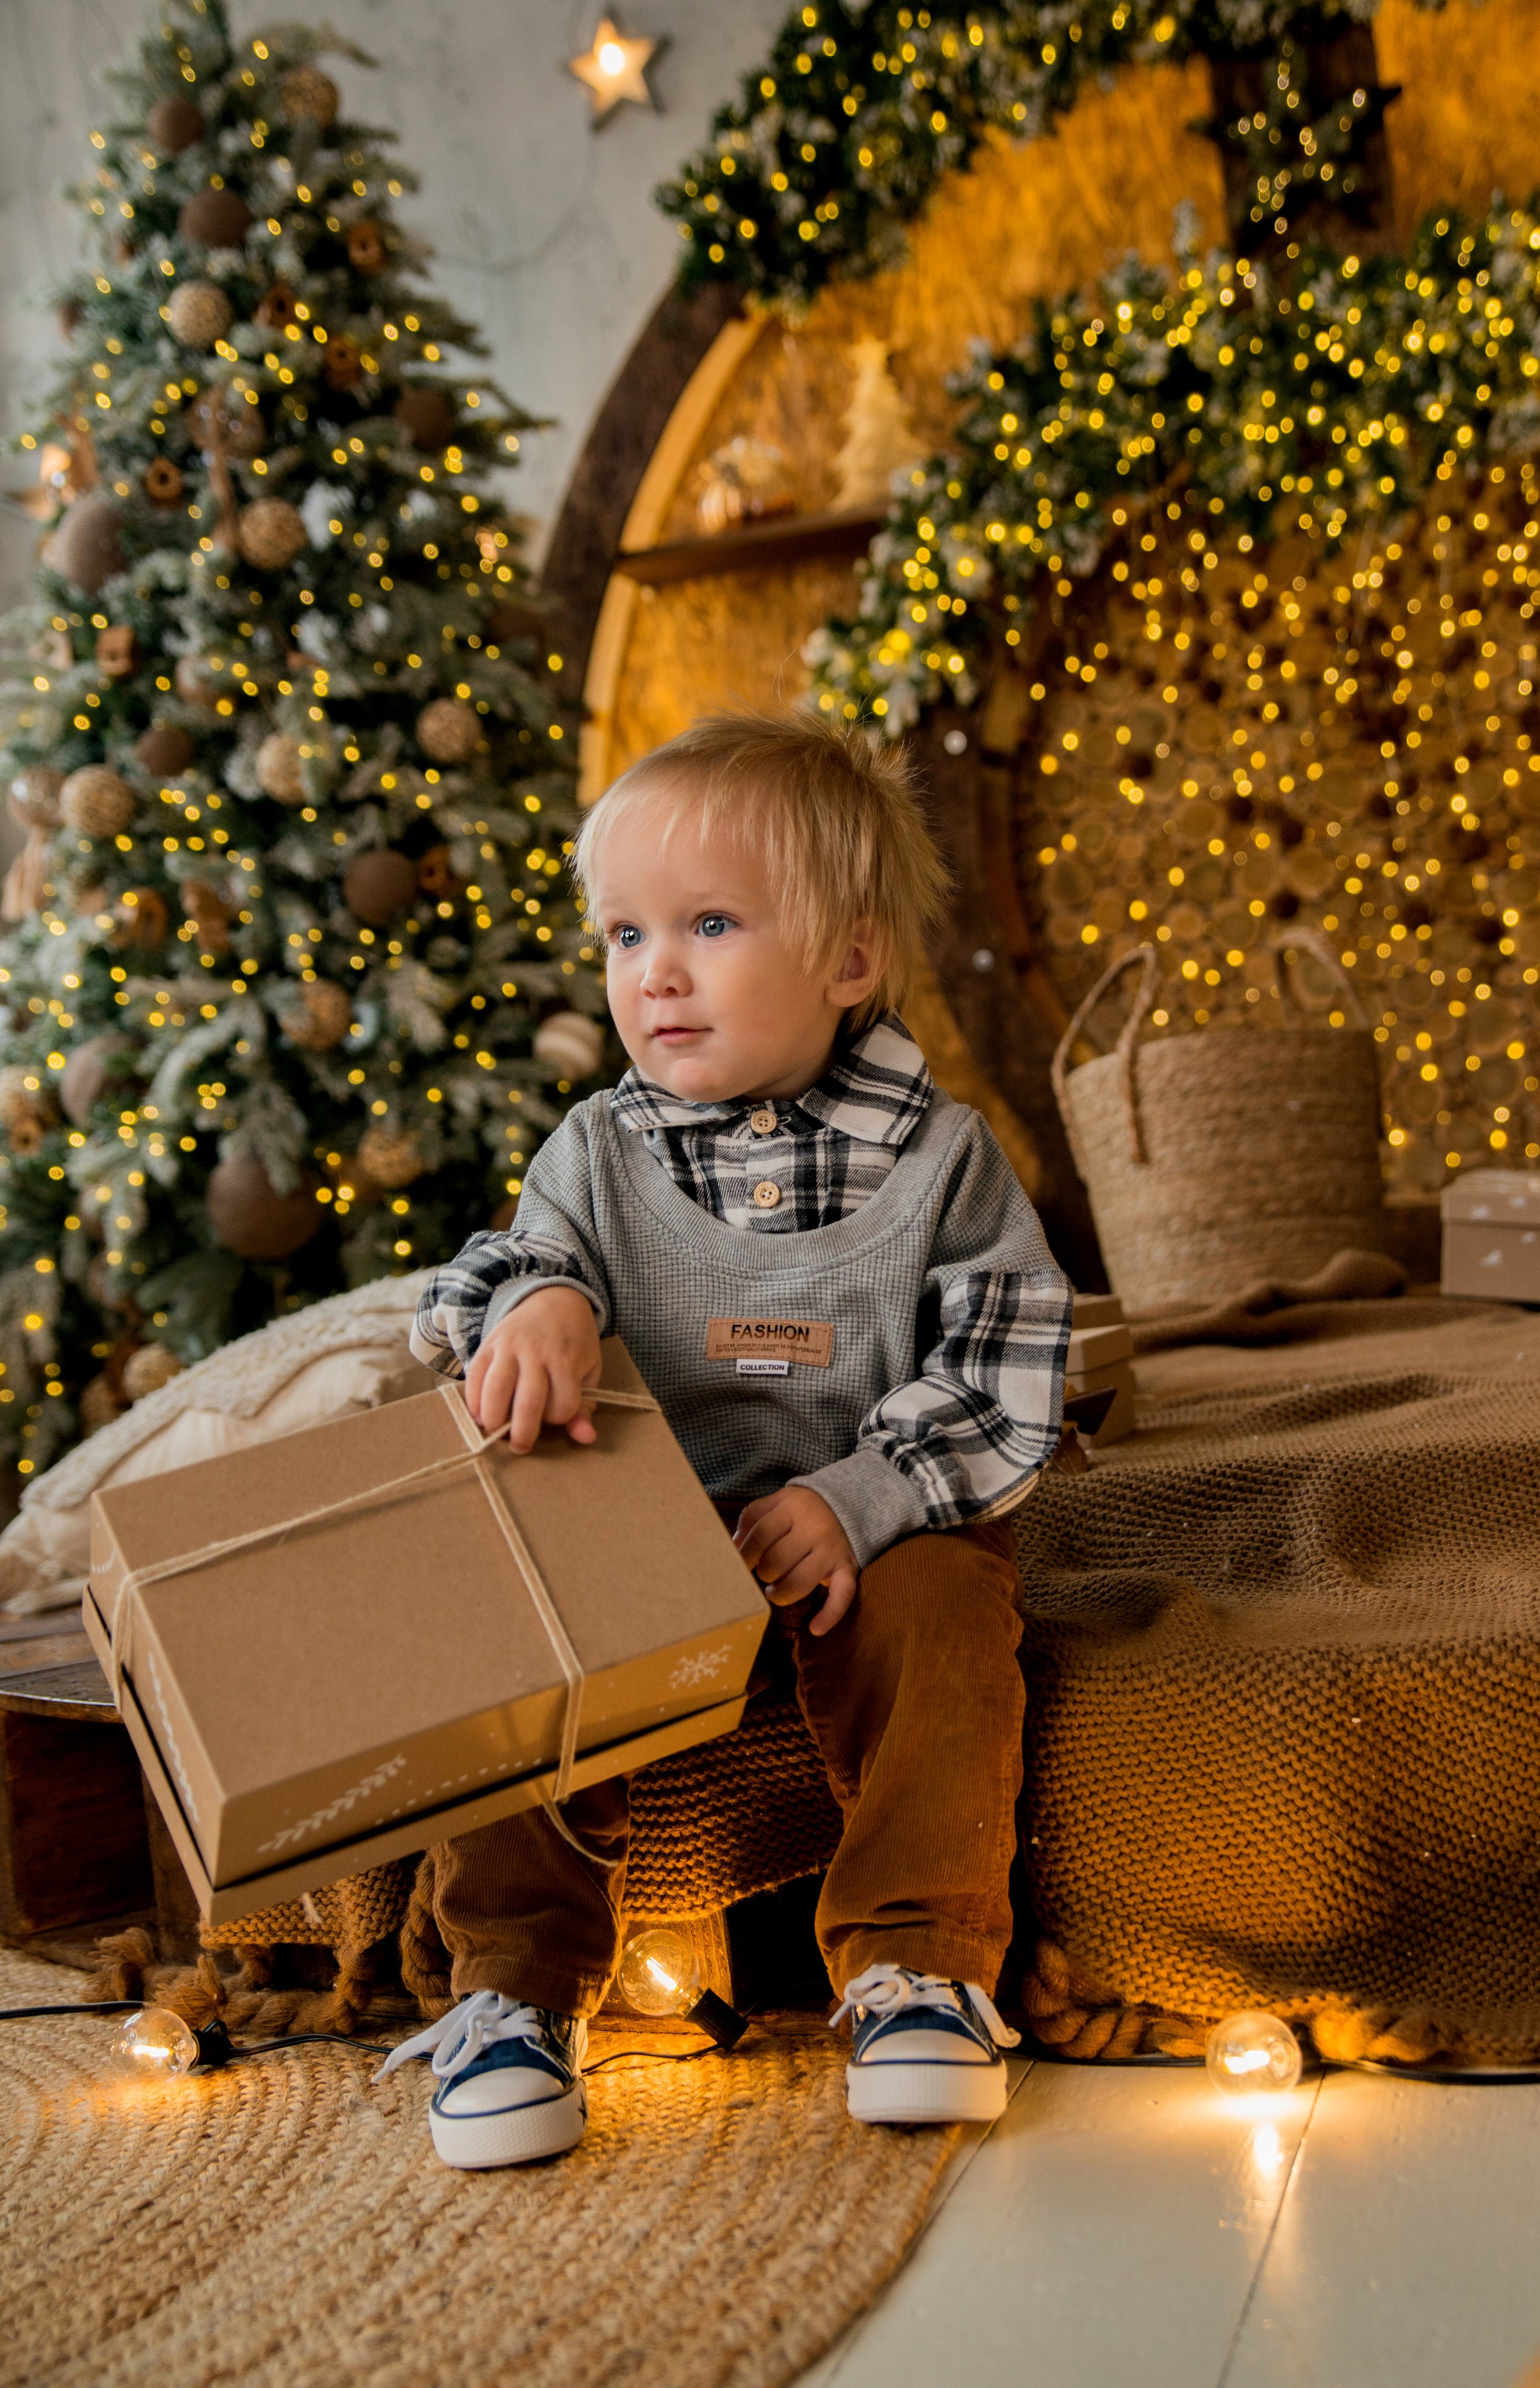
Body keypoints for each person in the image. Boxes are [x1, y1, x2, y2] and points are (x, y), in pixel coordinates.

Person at [382, 711, 1072, 2169]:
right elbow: (486, 1276)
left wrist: (866, 1494)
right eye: (625, 934)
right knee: (508, 1608)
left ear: (848, 962)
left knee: (950, 1609)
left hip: (862, 1527)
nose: (657, 972)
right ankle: (513, 1983)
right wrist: (541, 1301)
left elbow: (1005, 1364)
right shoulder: (594, 1151)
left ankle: (917, 1965)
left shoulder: (941, 1158)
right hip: (637, 1537)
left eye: (709, 924)